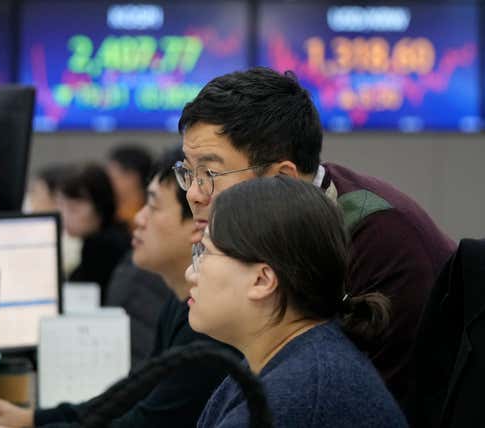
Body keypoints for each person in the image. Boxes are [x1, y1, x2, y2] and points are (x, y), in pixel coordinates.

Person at [174, 67, 455, 412]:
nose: (193, 194)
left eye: (210, 174)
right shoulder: (279, 231)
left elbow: (350, 408)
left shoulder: (381, 243)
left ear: (282, 178)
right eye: (188, 171)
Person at [0, 146, 237, 428]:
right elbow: (128, 395)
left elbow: (145, 422)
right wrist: (33, 419)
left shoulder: (209, 326)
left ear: (198, 224)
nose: (138, 219)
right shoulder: (178, 303)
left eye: (154, 206)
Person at [188, 176, 407, 427]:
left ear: (262, 280)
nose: (191, 274)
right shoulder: (287, 364)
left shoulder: (298, 395)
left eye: (205, 252)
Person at [57, 164, 131, 303]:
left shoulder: (101, 247)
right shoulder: (117, 236)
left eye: (74, 208)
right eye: (61, 205)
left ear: (100, 208)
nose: (64, 215)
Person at [24, 164, 82, 277]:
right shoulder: (37, 229)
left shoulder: (72, 237)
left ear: (56, 197)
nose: (31, 199)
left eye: (36, 193)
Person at [106, 145, 153, 231]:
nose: (106, 183)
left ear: (132, 178)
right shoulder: (108, 213)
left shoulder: (150, 216)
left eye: (112, 177)